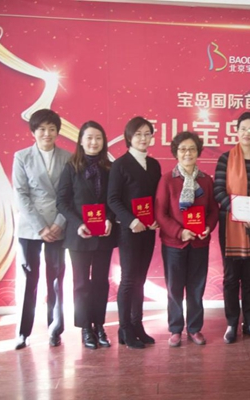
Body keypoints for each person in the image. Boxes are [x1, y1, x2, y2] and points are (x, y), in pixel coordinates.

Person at [12, 109, 71, 350]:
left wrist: (58, 223)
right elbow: (21, 194)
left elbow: (71, 194)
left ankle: (55, 329)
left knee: (56, 278)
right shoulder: (21, 156)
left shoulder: (68, 157)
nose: (47, 133)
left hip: (58, 224)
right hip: (31, 228)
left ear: (58, 132)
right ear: (33, 131)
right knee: (29, 278)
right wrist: (40, 227)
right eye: (42, 129)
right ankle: (23, 332)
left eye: (52, 129)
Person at [214, 112, 250, 344]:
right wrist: (241, 212)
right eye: (243, 128)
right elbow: (219, 191)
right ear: (236, 131)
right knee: (231, 278)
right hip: (230, 225)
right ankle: (231, 323)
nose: (247, 133)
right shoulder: (225, 159)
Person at [155, 131, 219, 348]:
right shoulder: (167, 180)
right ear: (176, 152)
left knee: (196, 287)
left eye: (192, 149)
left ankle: (194, 328)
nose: (187, 153)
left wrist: (208, 227)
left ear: (198, 152)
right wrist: (179, 232)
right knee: (174, 288)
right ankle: (175, 329)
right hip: (174, 243)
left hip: (199, 242)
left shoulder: (205, 180)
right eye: (182, 149)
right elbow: (160, 213)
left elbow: (213, 209)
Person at [57, 121, 117, 349]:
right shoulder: (71, 168)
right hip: (79, 235)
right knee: (81, 283)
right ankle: (85, 328)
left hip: (104, 234)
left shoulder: (110, 168)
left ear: (104, 142)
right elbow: (62, 202)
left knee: (101, 282)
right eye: (89, 138)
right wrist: (78, 224)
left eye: (98, 138)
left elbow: (114, 199)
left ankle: (99, 325)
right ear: (81, 141)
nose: (94, 142)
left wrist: (109, 218)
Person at [108, 116, 161, 349]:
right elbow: (113, 199)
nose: (143, 138)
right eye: (138, 134)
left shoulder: (154, 165)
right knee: (129, 279)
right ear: (129, 137)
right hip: (129, 231)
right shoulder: (120, 165)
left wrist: (157, 218)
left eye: (147, 134)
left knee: (141, 279)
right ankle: (125, 329)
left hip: (148, 230)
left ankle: (137, 325)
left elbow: (157, 198)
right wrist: (132, 221)